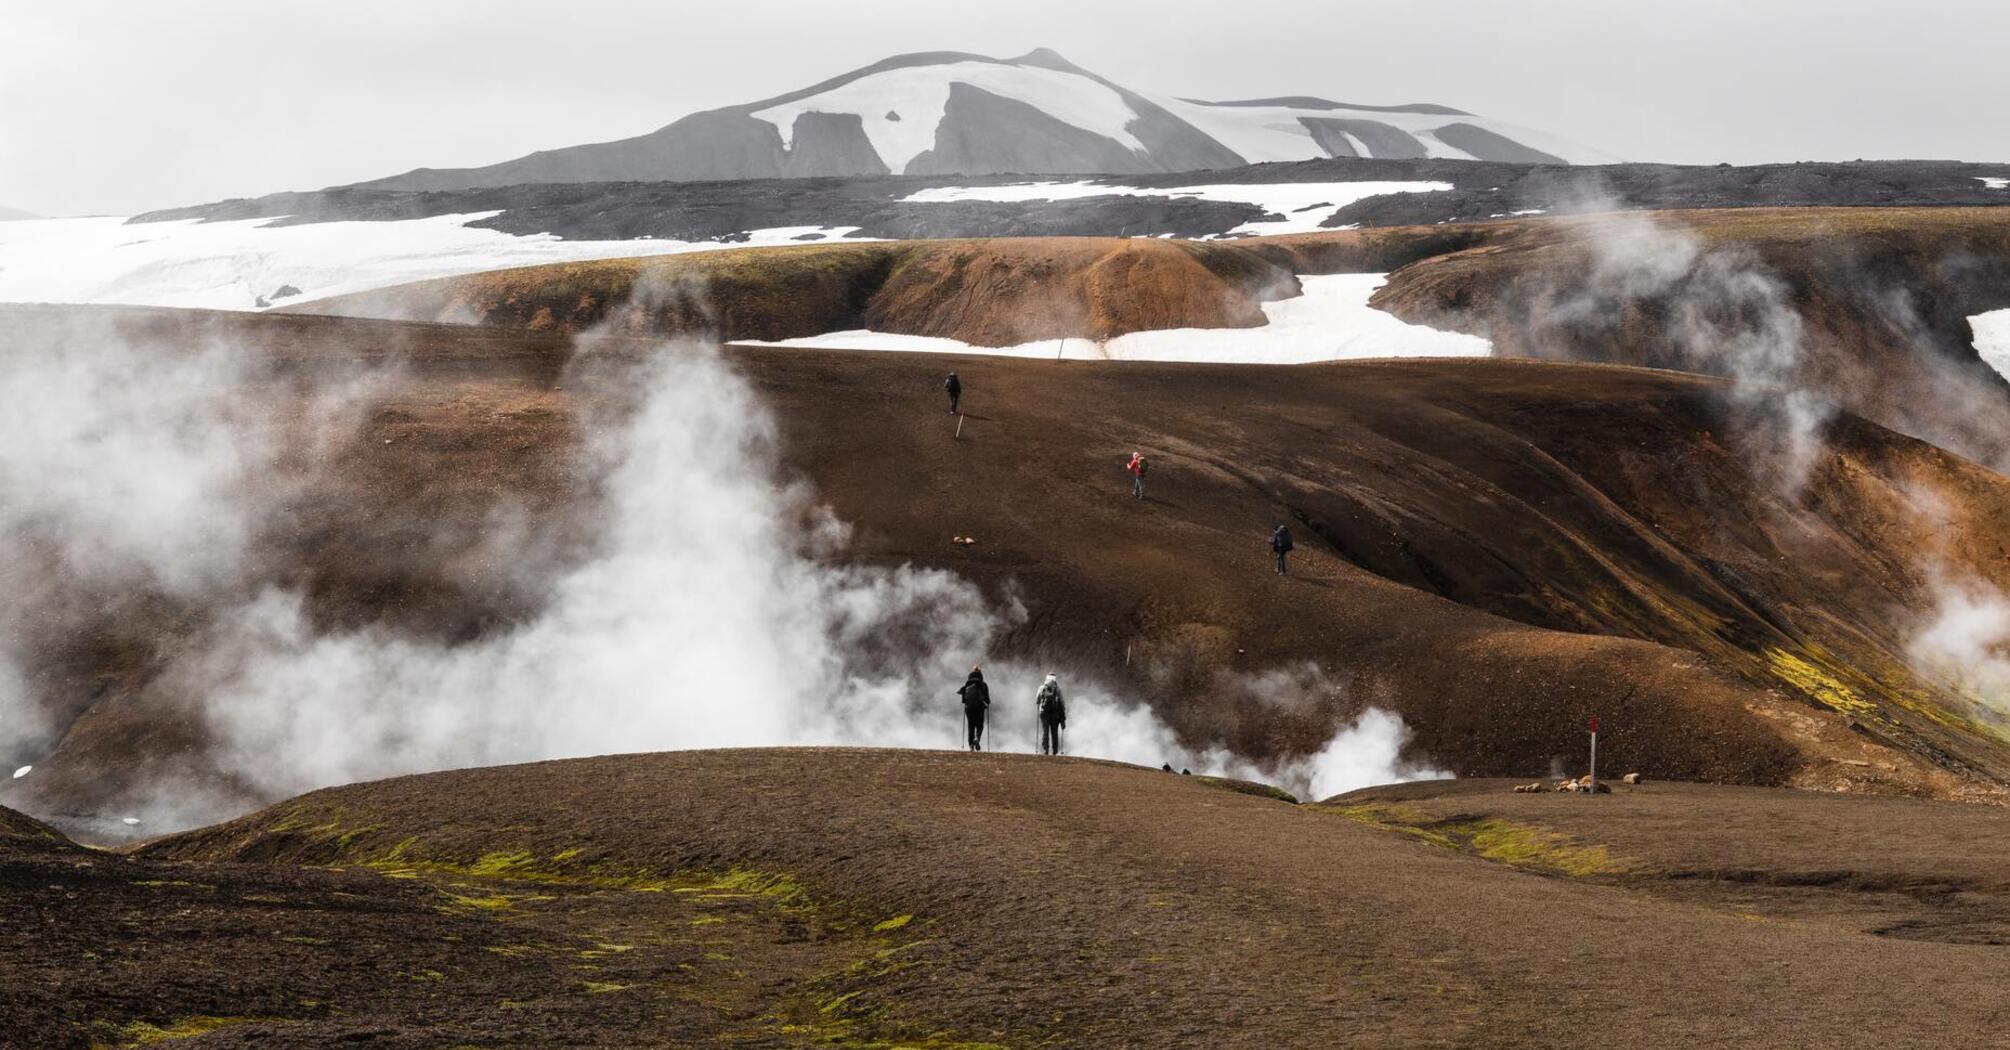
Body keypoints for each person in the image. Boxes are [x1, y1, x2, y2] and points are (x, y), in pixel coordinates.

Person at [957, 666, 990, 751]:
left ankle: (971, 745)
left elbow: (963, 699)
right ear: (980, 673)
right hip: (979, 708)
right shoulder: (983, 684)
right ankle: (977, 738)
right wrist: (987, 703)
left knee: (971, 727)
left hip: (969, 709)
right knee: (980, 725)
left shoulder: (967, 684)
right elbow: (987, 699)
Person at [1035, 673, 1066, 755]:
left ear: (1046, 678)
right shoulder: (1058, 689)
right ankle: (1055, 751)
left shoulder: (1042, 688)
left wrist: (1039, 703)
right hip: (1054, 714)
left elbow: (1037, 700)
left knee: (1045, 731)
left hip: (1044, 712)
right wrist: (1063, 718)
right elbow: (1062, 704)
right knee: (1054, 732)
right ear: (1055, 679)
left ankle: (1046, 750)